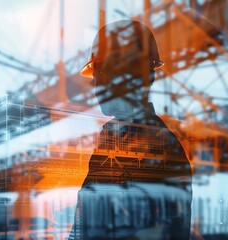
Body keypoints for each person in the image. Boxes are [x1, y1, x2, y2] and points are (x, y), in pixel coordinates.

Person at [68, 20, 192, 240]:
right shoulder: (110, 142)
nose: (96, 88)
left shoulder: (160, 148)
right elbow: (83, 221)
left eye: (97, 78)